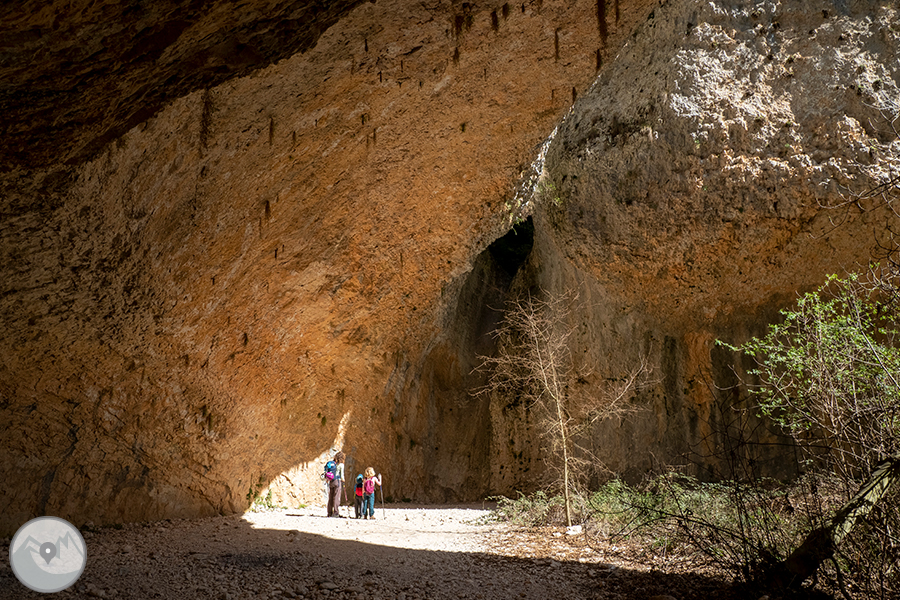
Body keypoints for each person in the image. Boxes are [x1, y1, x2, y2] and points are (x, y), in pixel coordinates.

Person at [327, 451, 345, 517]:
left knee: (331, 496)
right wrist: (343, 480)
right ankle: (335, 512)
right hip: (337, 481)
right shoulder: (341, 465)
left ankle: (329, 512)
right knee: (336, 497)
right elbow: (342, 475)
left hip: (331, 481)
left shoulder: (333, 464)